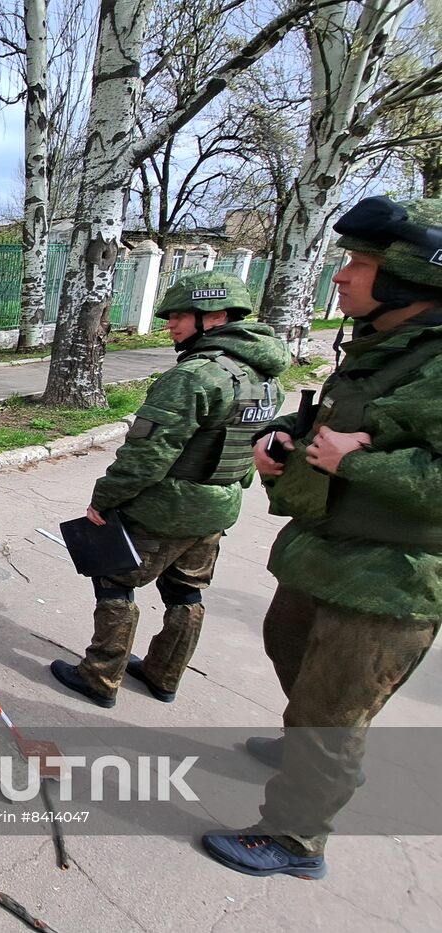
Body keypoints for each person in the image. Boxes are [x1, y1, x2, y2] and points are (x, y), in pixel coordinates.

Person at [202, 196, 442, 880]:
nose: (341, 276)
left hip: (391, 579)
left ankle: (295, 838)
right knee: (296, 661)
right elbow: (344, 423)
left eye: (358, 265)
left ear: (407, 280)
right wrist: (290, 439)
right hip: (328, 554)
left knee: (333, 709)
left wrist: (355, 462)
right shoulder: (387, 347)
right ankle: (312, 749)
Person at [49, 271, 288, 708]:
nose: (170, 325)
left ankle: (100, 676)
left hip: (166, 509)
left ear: (213, 316)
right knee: (186, 591)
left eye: (178, 316)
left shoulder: (196, 376)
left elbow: (147, 454)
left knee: (115, 582)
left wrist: (104, 499)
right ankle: (164, 674)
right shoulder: (265, 377)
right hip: (218, 507)